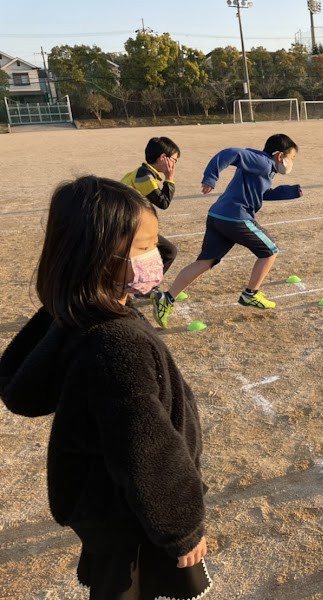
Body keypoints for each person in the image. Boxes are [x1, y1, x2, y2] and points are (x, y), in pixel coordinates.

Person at [0, 176, 211, 597]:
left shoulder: (82, 311)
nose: (156, 256)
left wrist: (136, 229)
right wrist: (183, 527)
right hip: (134, 514)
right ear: (97, 256)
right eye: (142, 248)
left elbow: (147, 255)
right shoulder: (118, 345)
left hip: (105, 505)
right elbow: (147, 452)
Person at [151, 133, 299, 329]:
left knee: (204, 262)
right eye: (292, 158)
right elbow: (230, 153)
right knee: (270, 250)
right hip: (235, 217)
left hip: (218, 216)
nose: (291, 163)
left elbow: (262, 194)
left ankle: (167, 299)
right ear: (280, 156)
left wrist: (291, 192)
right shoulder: (262, 162)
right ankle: (251, 294)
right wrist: (210, 178)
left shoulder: (266, 169)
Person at [121, 136, 181, 276]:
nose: (174, 165)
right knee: (169, 251)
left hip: (130, 223)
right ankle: (148, 287)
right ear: (163, 157)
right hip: (126, 225)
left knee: (160, 251)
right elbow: (163, 202)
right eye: (174, 160)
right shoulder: (144, 176)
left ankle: (147, 286)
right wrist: (170, 179)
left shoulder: (144, 172)